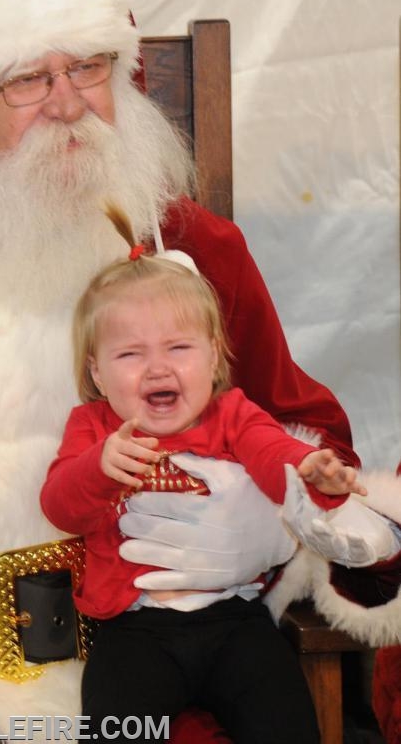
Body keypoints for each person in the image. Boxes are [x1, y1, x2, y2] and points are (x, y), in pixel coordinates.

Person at [0, 0, 400, 741]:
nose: (68, 105)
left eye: (90, 68)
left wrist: (268, 522)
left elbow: (316, 442)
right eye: (28, 78)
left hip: (174, 664)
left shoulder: (194, 244)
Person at [41, 209, 384, 742]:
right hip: (133, 628)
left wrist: (306, 468)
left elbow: (271, 453)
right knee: (113, 725)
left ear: (215, 358)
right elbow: (61, 506)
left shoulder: (232, 413)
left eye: (179, 348)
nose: (158, 368)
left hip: (234, 618)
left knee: (286, 718)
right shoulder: (93, 428)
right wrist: (97, 469)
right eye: (130, 354)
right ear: (96, 373)